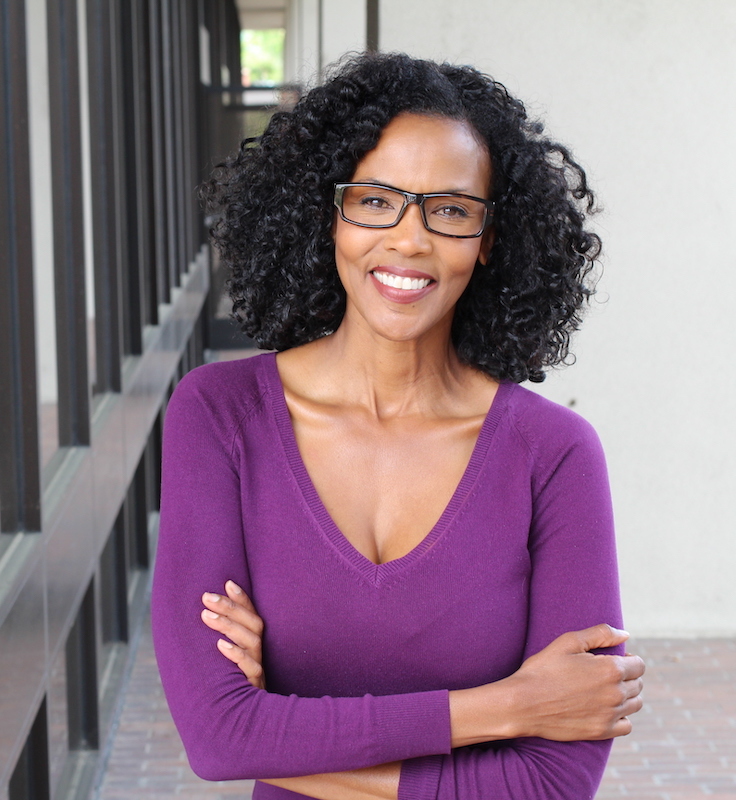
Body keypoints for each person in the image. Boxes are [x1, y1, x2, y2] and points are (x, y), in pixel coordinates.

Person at [151, 52, 645, 800]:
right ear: (329, 213)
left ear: (488, 240)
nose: (409, 241)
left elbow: (551, 782)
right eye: (376, 200)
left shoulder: (553, 455)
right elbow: (215, 737)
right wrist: (505, 707)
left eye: (449, 209)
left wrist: (281, 730)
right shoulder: (219, 416)